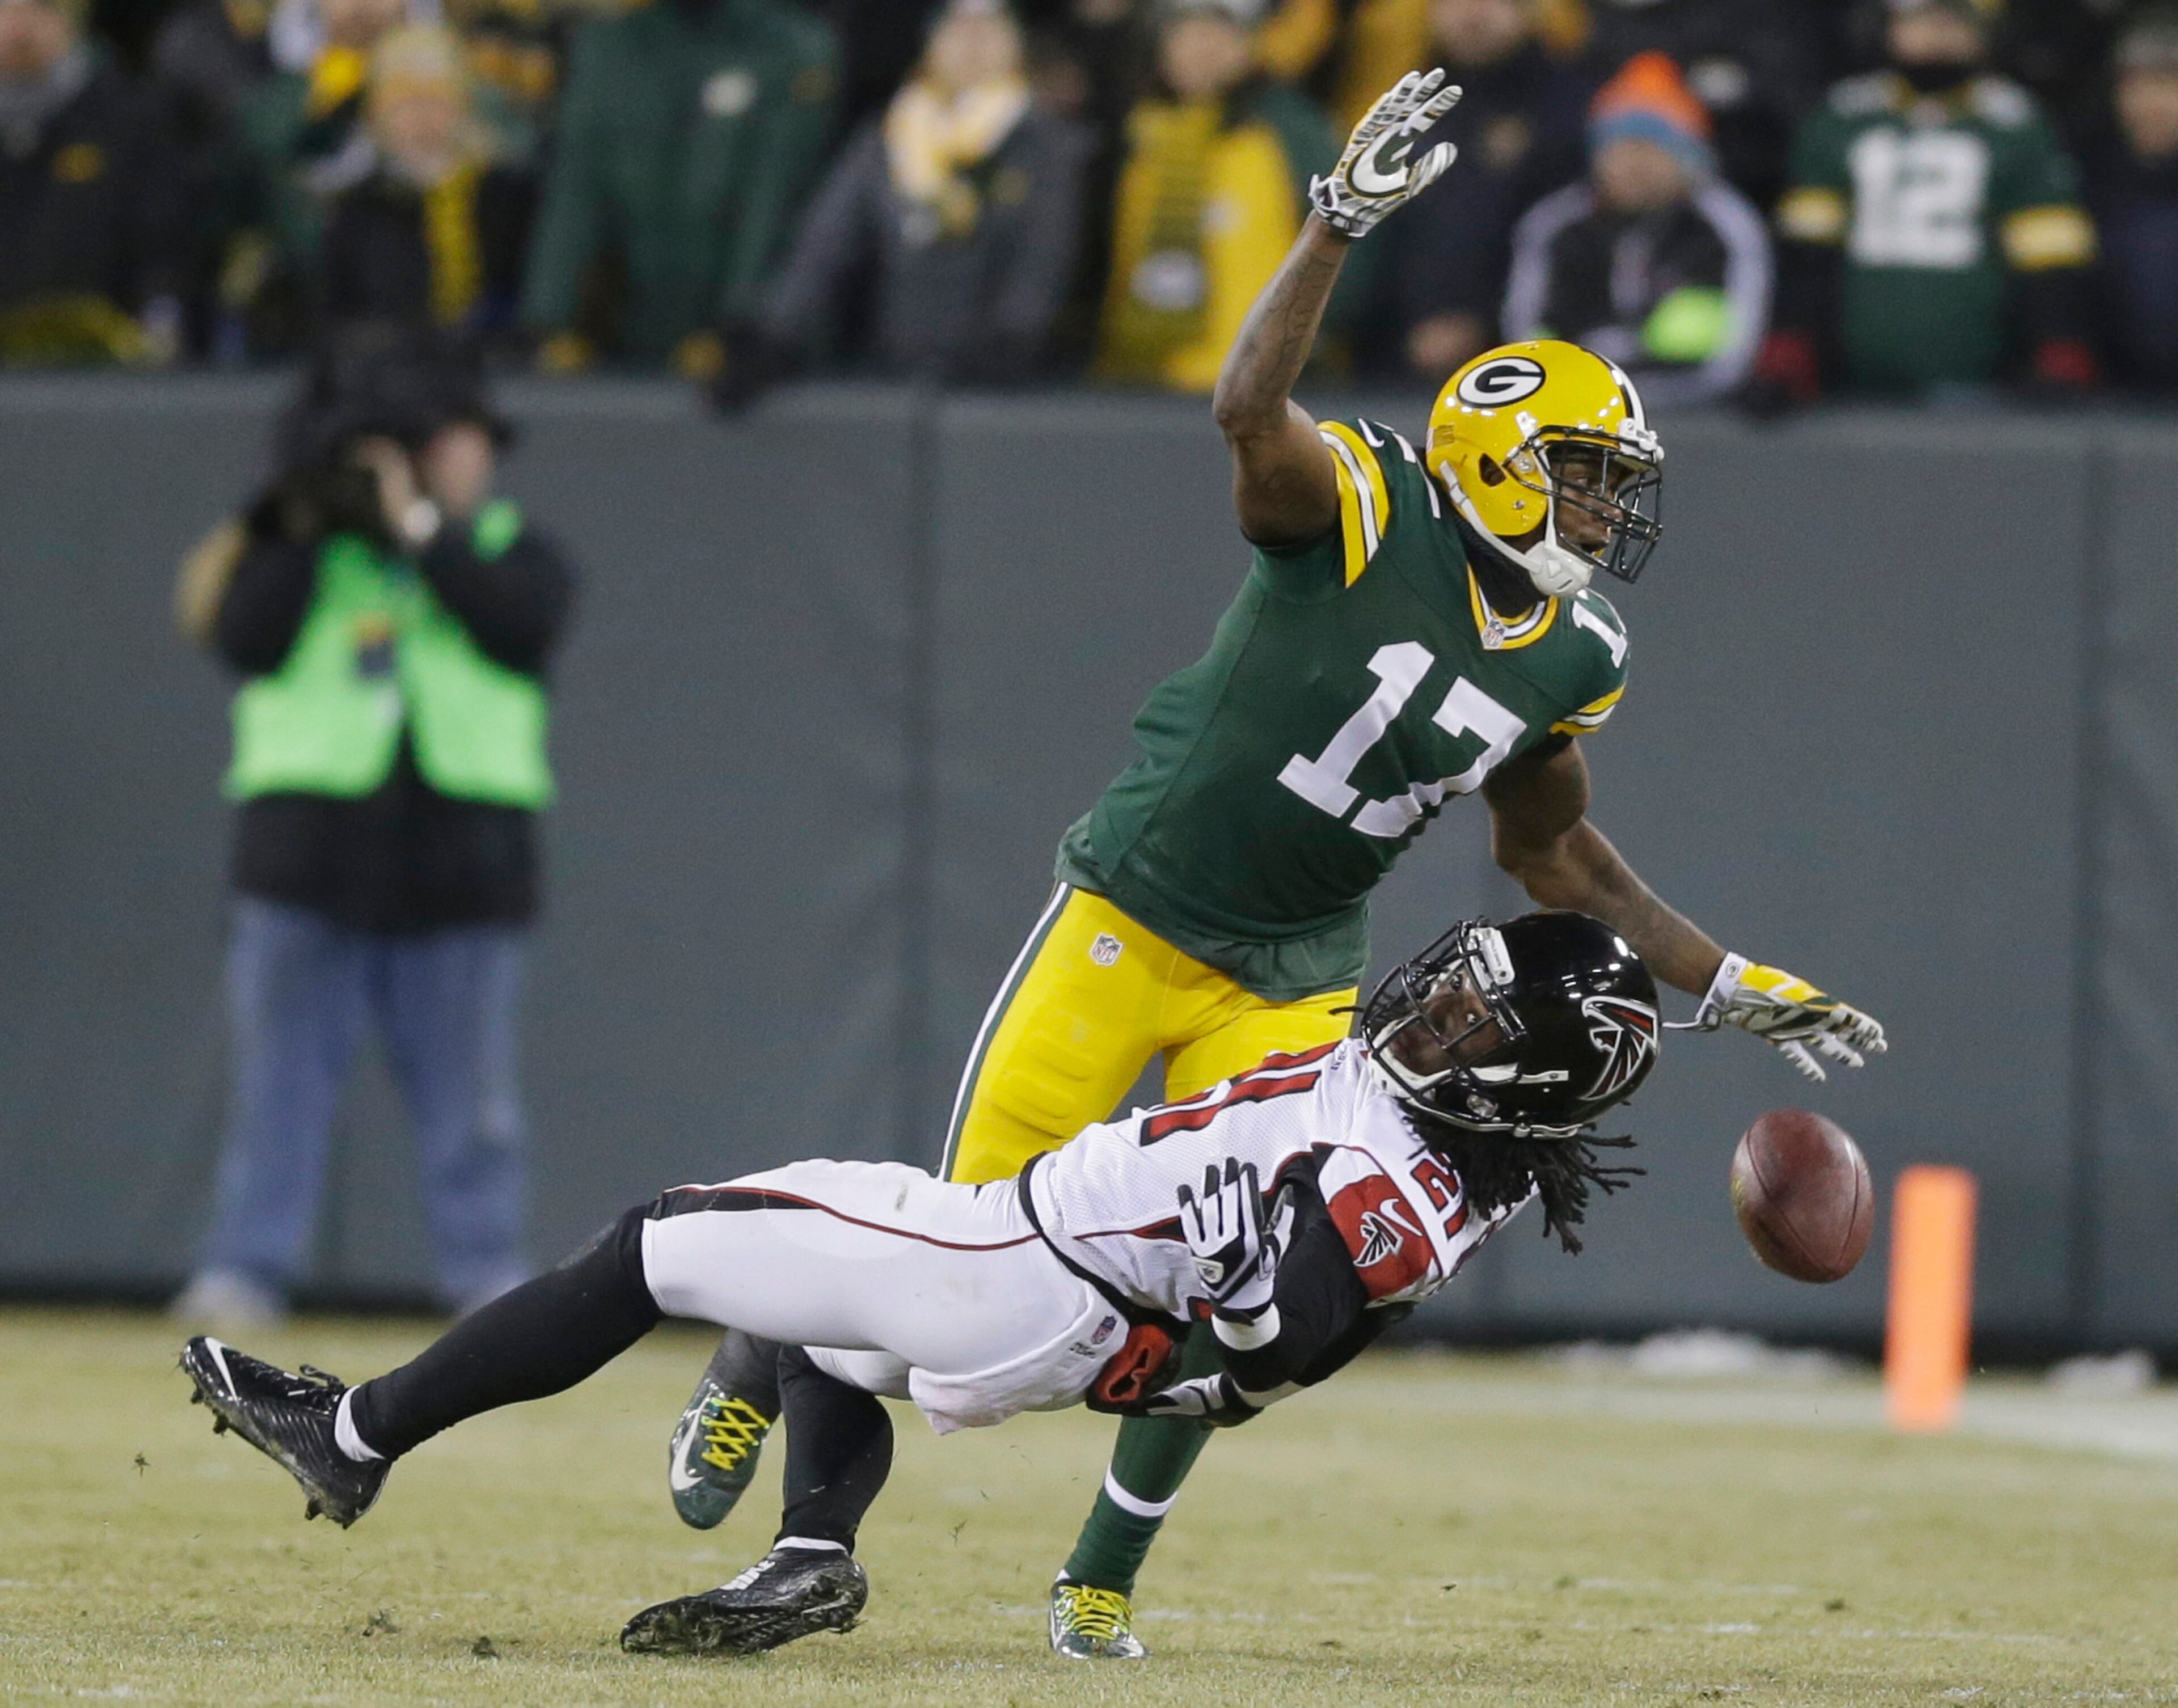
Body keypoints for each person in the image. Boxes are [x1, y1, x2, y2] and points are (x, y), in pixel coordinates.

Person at [673, 69, 1886, 1662]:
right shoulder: (1361, 500)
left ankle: (1100, 1570)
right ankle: (772, 1369)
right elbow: (1247, 409)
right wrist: (1328, 227)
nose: (1608, 504)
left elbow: (1554, 853)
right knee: (948, 1261)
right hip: (1136, 910)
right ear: (1508, 461)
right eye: (1587, 469)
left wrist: (1720, 978)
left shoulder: (1574, 652)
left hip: (1297, 970)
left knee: (1256, 1273)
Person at [181, 910, 1668, 1657]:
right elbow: (1263, 1357)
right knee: (819, 1314)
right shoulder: (1459, 1148)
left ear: (1524, 1084)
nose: (1438, 1011)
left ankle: (354, 1435)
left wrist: (1249, 1302)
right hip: (1049, 1283)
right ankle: (806, 1555)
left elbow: (1277, 1349)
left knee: (655, 1240)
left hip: (1025, 1262)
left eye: (1478, 1020)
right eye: (1458, 986)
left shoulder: (1385, 1180)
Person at [170, 325, 576, 1327]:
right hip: (306, 857)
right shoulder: (298, 553)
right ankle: (245, 1270)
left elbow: (517, 624)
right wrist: (304, 509)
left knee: (473, 1108)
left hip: (464, 867)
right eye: (456, 438)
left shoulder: (512, 551)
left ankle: (487, 1277)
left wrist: (419, 526)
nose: (475, 457)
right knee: (278, 1092)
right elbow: (247, 634)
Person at [722, 0, 1091, 398]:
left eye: (990, 28)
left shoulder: (1047, 145)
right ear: (930, 41)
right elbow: (824, 245)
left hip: (998, 386)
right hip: (892, 369)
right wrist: (771, 332)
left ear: (1016, 45)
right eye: (958, 27)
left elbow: (1043, 257)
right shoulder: (890, 136)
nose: (974, 43)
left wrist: (1012, 338)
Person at [1750, 0, 2097, 405]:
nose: (1937, 37)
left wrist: (2060, 346)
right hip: (1848, 381)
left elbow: (2052, 256)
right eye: (1922, 20)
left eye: (1954, 21)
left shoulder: (2018, 125)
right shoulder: (1841, 118)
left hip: (1983, 383)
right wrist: (1792, 342)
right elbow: (1807, 251)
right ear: (1889, 26)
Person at [518, 0, 836, 379]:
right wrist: (549, 321)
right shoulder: (608, 46)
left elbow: (773, 201)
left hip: (750, 355)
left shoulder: (794, 46)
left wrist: (737, 328)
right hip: (623, 336)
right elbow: (575, 190)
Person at [1093, 0, 1340, 391]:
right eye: (1186, 30)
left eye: (1218, 31)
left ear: (1248, 44)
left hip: (1252, 383)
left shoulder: (1291, 133)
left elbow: (1342, 246)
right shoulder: (1133, 135)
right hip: (1136, 377)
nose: (1201, 47)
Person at [1501, 52, 1770, 408]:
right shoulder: (1555, 225)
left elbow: (1736, 352)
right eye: (1620, 146)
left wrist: (1632, 406)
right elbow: (1523, 338)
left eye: (1654, 147)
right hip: (1570, 415)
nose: (1635, 163)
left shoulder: (1724, 226)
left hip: (1698, 420)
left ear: (1691, 159)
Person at [1365, 0, 1594, 383]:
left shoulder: (1570, 108)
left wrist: (1479, 321)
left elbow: (1569, 237)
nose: (1473, 14)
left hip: (1526, 362)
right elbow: (1380, 240)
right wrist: (1405, 325)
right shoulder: (1405, 105)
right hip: (1394, 360)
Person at [319, 25, 534, 341]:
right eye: (405, 105)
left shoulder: (507, 194)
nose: (423, 119)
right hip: (389, 366)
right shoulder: (359, 206)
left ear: (463, 106)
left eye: (437, 102)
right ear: (377, 114)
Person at [0, 0, 185, 366]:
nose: (17, 29)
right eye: (4, 12)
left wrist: (158, 325)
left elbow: (162, 242)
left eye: (36, 10)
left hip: (105, 361)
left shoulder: (128, 116)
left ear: (67, 19)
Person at [2086, 9, 2178, 392]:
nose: (2149, 103)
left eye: (2166, 84)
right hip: (2115, 399)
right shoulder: (2088, 180)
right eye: (2133, 86)